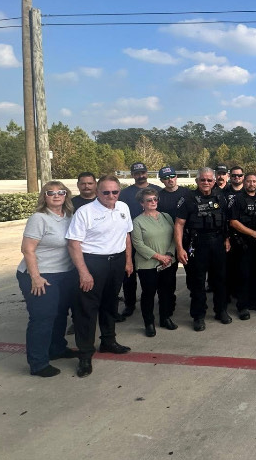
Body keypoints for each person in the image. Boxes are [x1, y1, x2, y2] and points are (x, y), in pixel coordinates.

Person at [66, 175, 134, 378]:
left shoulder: (123, 207)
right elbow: (73, 243)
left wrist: (128, 261)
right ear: (97, 192)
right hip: (92, 262)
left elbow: (127, 236)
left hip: (117, 261)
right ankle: (85, 354)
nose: (111, 196)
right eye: (106, 192)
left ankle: (108, 341)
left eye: (115, 192)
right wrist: (83, 272)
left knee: (110, 304)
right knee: (87, 309)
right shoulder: (85, 212)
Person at [17, 181, 78, 377]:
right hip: (41, 274)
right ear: (44, 196)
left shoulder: (69, 216)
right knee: (42, 318)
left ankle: (57, 348)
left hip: (64, 273)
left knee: (60, 314)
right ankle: (38, 363)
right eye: (50, 192)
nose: (56, 195)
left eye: (61, 192)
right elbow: (28, 249)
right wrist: (35, 277)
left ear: (66, 195)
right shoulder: (39, 218)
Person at [174, 167, 232, 331]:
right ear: (197, 181)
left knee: (220, 280)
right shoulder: (188, 199)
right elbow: (179, 224)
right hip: (197, 244)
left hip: (218, 242)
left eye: (209, 180)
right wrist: (180, 248)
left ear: (214, 181)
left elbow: (225, 220)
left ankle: (221, 311)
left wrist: (227, 239)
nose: (206, 183)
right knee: (197, 282)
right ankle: (198, 316)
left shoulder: (220, 196)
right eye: (202, 180)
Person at [131, 188, 177, 336]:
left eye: (155, 199)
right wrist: (159, 257)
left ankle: (165, 318)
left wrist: (169, 255)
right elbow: (138, 244)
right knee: (149, 294)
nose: (153, 202)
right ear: (141, 203)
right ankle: (149, 322)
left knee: (166, 292)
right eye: (149, 200)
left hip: (168, 262)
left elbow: (174, 237)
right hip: (148, 265)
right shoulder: (137, 221)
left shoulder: (166, 216)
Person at [119, 162, 162, 318]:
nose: (140, 175)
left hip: (152, 237)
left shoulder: (158, 190)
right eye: (137, 173)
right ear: (132, 175)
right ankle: (130, 304)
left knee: (156, 272)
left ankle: (160, 301)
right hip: (130, 237)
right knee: (129, 273)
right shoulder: (125, 194)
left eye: (142, 172)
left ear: (147, 173)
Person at [229, 173, 256, 320]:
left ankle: (255, 301)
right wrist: (253, 233)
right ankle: (242, 306)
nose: (251, 184)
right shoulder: (238, 200)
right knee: (243, 275)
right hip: (243, 244)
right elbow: (233, 221)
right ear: (244, 182)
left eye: (254, 181)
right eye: (248, 181)